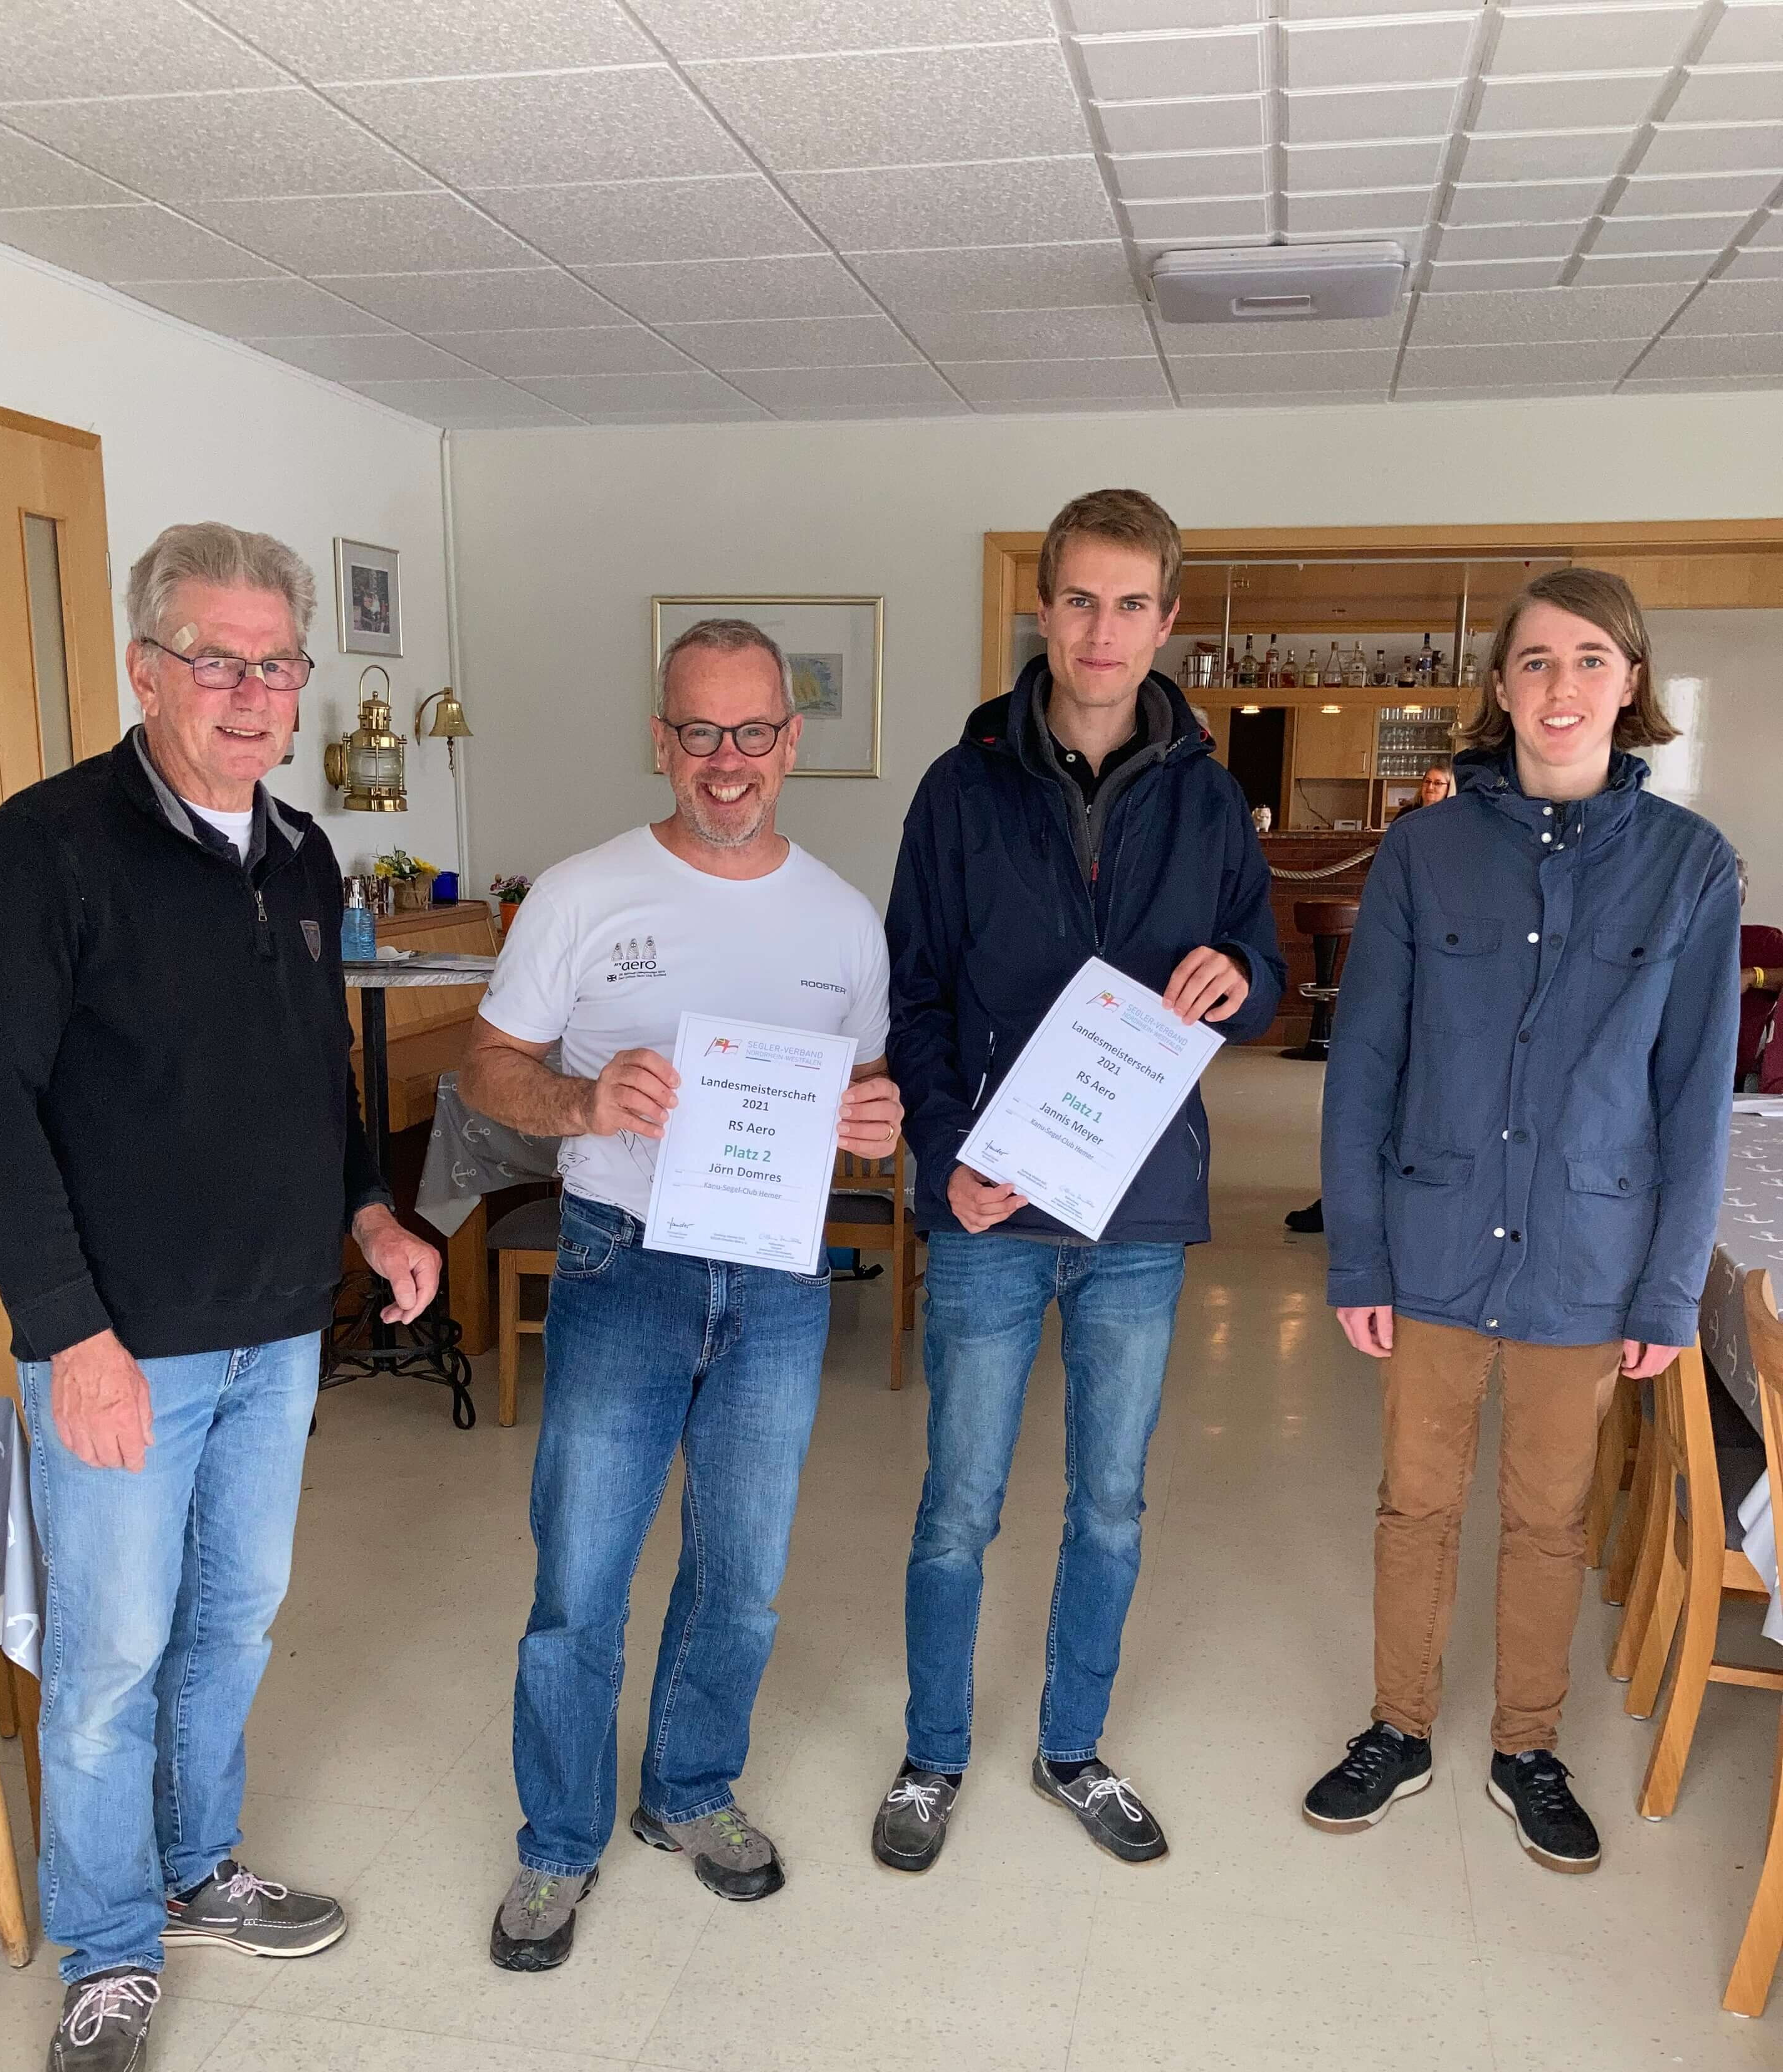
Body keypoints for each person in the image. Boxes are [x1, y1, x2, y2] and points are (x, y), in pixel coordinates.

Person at [0, 521, 439, 2072]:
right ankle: (106, 1954)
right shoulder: (48, 848)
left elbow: (311, 1078)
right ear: (146, 668)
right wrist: (71, 1335)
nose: (250, 691)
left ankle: (197, 1865)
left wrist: (369, 1211)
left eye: (275, 664)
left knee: (232, 1623)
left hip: (277, 1332)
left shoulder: (298, 854)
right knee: (107, 1660)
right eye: (216, 659)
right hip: (121, 1348)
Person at [461, 620, 901, 1970]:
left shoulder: (842, 920)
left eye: (752, 732)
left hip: (778, 1280)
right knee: (579, 1576)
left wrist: (876, 1124)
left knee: (743, 1576)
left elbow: (855, 1096)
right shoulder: (583, 894)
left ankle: (691, 1788)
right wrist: (584, 1100)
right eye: (699, 732)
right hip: (621, 1261)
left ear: (791, 743)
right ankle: (557, 1842)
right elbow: (488, 1068)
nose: (726, 761)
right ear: (661, 741)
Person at [876, 488, 1285, 1872]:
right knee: (958, 1505)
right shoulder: (959, 789)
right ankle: (934, 1753)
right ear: (1041, 610)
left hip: (1137, 1213)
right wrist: (946, 1153)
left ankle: (1070, 1746)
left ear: (1166, 621)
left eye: (1130, 605)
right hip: (988, 1210)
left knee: (1108, 1503)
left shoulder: (1208, 796)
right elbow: (915, 999)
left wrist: (1242, 982)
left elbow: (1257, 968)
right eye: (1077, 601)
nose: (1101, 631)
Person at [1310, 567, 1740, 1872]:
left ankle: (1526, 1746)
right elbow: (1364, 1063)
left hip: (1586, 1256)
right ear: (1500, 688)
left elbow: (1693, 1098)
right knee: (1414, 1503)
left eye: (1590, 659)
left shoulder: (1689, 867)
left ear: (1630, 682)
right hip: (1433, 1240)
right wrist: (1356, 1254)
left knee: (1550, 1517)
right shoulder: (1423, 853)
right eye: (1537, 661)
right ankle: (1396, 1727)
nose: (1562, 685)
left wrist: (1667, 1290)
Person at [1285, 765, 1458, 1235]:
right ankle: (1343, 1199)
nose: (1431, 789)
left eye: (1440, 783)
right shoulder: (1406, 829)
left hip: (1444, 972)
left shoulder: (1467, 832)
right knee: (1368, 1085)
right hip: (1399, 955)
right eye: (1428, 782)